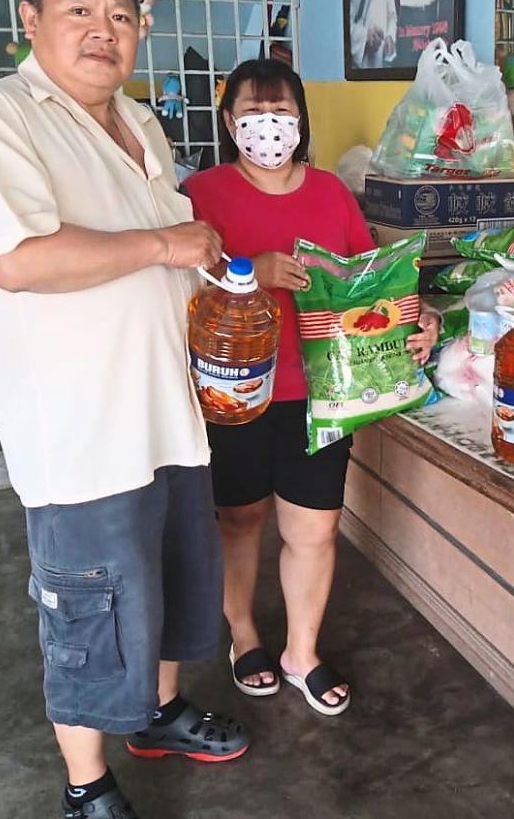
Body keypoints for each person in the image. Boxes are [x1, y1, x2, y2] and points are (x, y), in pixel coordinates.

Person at [0, 0, 249, 819]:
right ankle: (87, 784)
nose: (104, 29)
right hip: (80, 429)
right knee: (91, 609)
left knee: (174, 582)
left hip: (170, 413)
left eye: (121, 14)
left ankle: (156, 713)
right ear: (30, 21)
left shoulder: (141, 125)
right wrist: (164, 245)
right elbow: (17, 260)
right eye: (79, 9)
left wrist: (237, 280)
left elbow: (182, 255)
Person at [183, 59, 438, 717]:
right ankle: (243, 635)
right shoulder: (200, 193)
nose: (269, 125)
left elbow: (369, 277)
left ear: (301, 120)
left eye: (282, 111)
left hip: (322, 391)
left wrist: (420, 315)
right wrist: (249, 269)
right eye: (253, 110)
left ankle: (301, 650)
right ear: (229, 119)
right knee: (239, 519)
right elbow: (174, 287)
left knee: (315, 530)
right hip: (235, 392)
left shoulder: (329, 193)